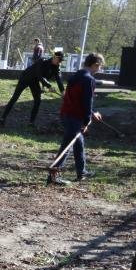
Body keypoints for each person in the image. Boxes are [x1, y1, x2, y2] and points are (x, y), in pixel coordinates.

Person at [48, 53, 104, 185]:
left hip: (66, 114)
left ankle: (81, 172)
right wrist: (87, 120)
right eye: (100, 66)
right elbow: (87, 102)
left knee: (79, 143)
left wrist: (91, 113)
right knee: (66, 147)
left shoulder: (76, 76)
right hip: (74, 117)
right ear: (95, 65)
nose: (100, 69)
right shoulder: (89, 79)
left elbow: (76, 99)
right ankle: (52, 177)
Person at [0, 50, 65, 128]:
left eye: (61, 61)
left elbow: (59, 80)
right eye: (59, 60)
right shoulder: (42, 61)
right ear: (54, 57)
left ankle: (31, 123)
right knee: (15, 98)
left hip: (34, 81)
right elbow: (39, 75)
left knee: (38, 101)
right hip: (25, 78)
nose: (60, 62)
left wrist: (63, 92)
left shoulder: (56, 67)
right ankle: (2, 118)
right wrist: (49, 86)